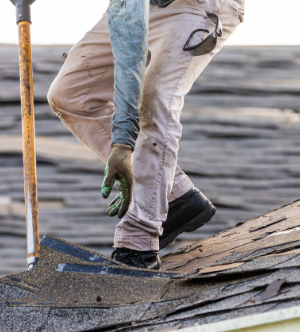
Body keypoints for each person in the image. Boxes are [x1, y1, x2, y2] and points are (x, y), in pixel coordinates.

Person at [48, 0, 244, 270]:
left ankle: (138, 246)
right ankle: (175, 195)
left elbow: (131, 57)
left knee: (153, 99)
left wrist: (122, 143)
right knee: (69, 94)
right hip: (141, 5)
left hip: (195, 5)